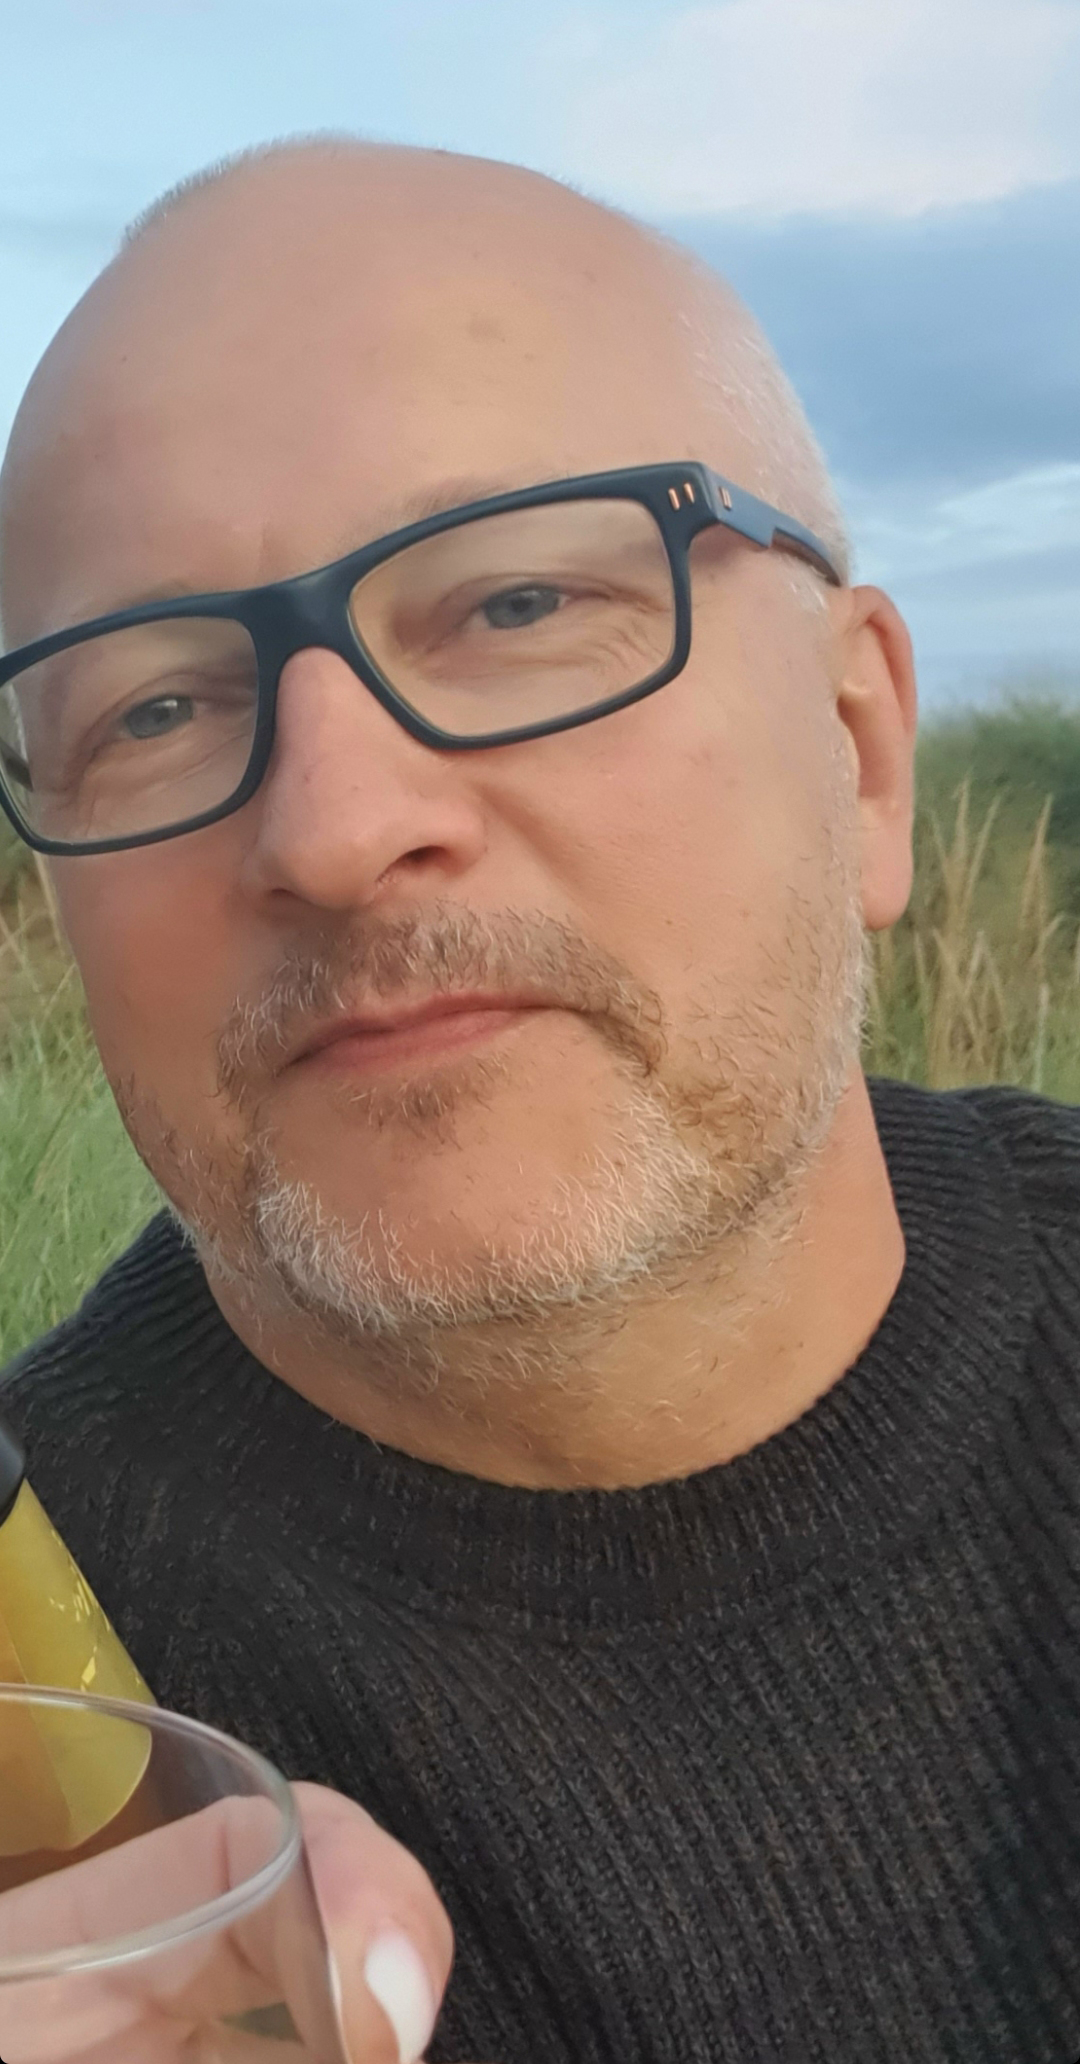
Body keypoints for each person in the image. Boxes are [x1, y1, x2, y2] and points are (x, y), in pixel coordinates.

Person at [0, 134, 1077, 2064]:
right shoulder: (37, 1703)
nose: (334, 829)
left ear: (860, 749)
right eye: (151, 707)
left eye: (509, 606)